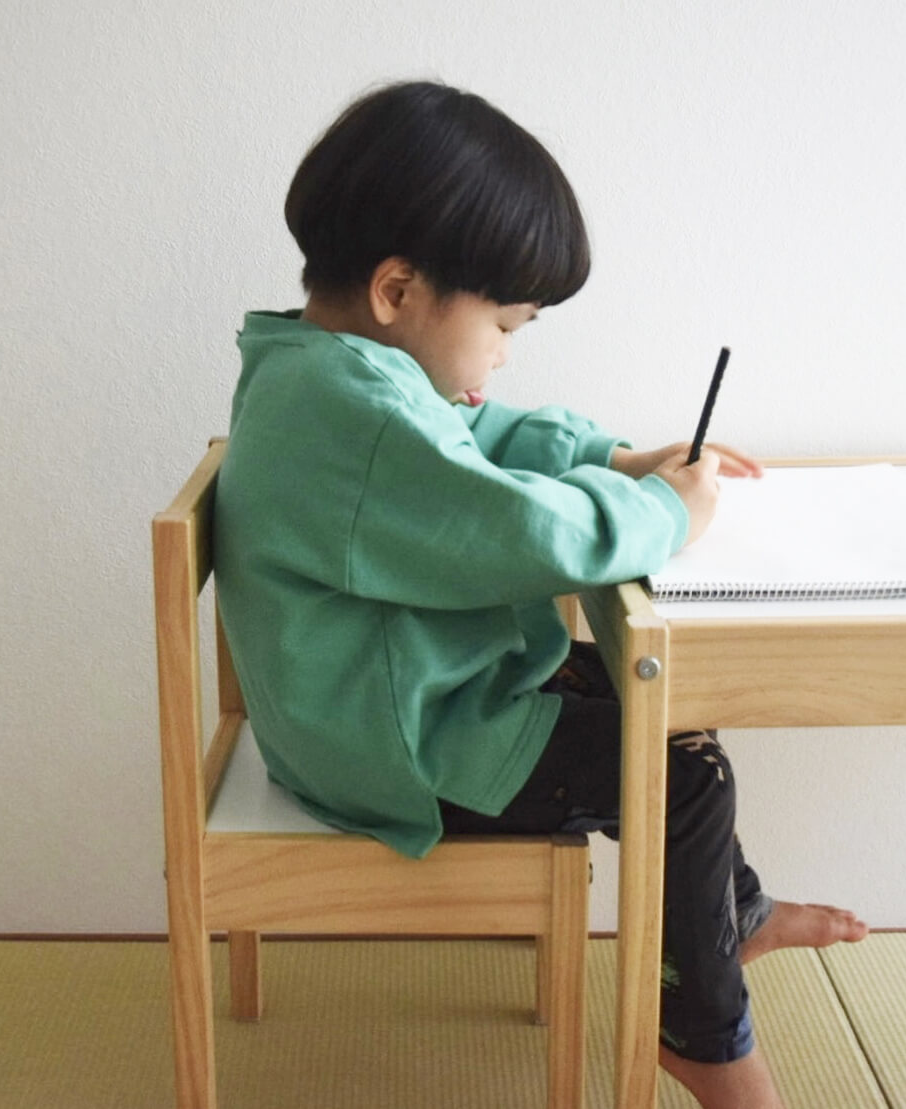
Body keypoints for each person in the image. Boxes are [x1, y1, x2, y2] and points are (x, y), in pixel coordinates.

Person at [213, 79, 867, 1108]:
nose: (505, 352)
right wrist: (664, 514)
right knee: (683, 772)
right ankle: (706, 1035)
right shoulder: (357, 414)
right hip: (399, 747)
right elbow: (518, 534)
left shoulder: (326, 369)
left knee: (668, 712)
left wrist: (615, 457)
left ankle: (726, 917)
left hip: (379, 704)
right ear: (398, 290)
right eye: (505, 323)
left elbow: (478, 430)